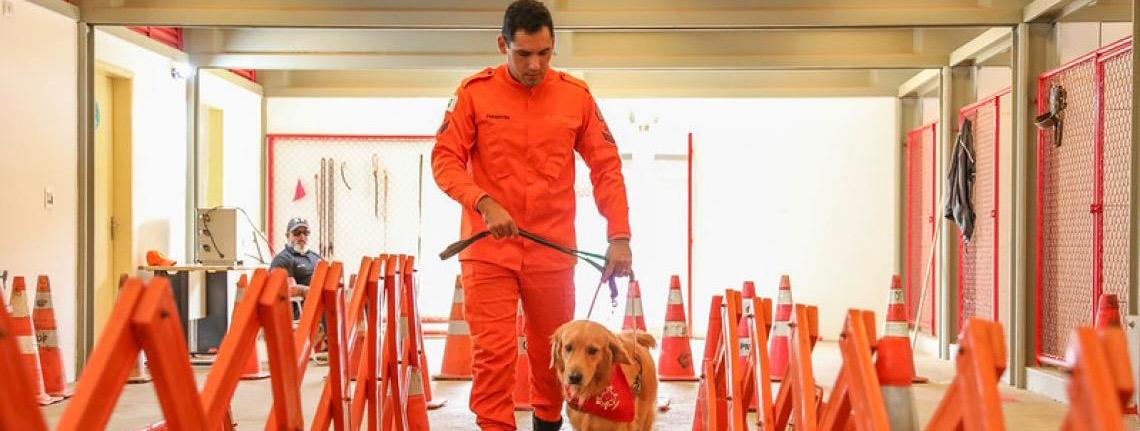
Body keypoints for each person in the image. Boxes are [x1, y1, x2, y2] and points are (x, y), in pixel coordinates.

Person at [431, 1, 632, 429]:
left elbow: (606, 167)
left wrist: (620, 235)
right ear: (503, 45)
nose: (535, 64)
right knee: (493, 355)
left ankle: (547, 423)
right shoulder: (474, 93)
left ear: (553, 46)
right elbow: (445, 160)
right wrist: (483, 202)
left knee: (553, 356)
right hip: (488, 250)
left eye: (545, 53)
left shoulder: (575, 96)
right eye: (524, 54)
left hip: (552, 251)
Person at [270, 217, 322, 297]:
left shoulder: (316, 257)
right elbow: (290, 290)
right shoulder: (283, 259)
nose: (302, 236)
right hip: (300, 307)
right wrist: (313, 293)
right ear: (287, 235)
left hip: (320, 304)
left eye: (306, 232)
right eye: (297, 232)